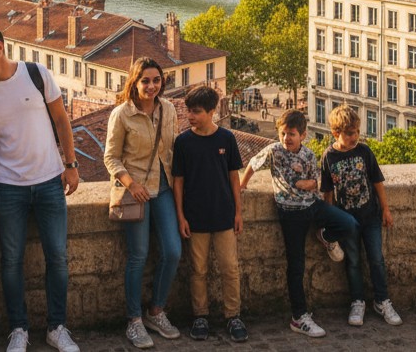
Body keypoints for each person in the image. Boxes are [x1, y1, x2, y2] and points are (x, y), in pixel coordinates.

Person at [0, 24, 81, 352]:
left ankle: (57, 328)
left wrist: (71, 165)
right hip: (8, 186)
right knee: (11, 260)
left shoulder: (36, 73)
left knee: (57, 257)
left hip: (48, 180)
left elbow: (61, 120)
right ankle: (18, 329)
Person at [239, 108, 359, 338]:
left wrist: (311, 184)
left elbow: (318, 181)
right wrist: (243, 184)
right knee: (296, 266)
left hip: (312, 206)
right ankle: (299, 317)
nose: (287, 138)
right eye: (283, 133)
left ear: (303, 135)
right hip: (291, 213)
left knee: (349, 224)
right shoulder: (274, 151)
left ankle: (326, 236)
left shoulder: (308, 155)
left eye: (292, 134)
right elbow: (254, 163)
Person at [103, 58, 182, 349]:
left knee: (173, 251)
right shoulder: (122, 114)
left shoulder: (169, 110)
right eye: (145, 81)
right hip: (135, 191)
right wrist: (131, 184)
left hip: (163, 188)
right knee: (139, 255)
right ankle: (134, 320)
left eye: (156, 80)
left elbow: (173, 150)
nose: (151, 86)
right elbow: (110, 157)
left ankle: (156, 311)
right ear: (135, 82)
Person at [172, 85, 247, 343]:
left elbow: (233, 177)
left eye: (196, 112)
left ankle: (232, 315)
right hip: (195, 217)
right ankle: (200, 316)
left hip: (224, 214)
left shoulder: (226, 138)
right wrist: (180, 216)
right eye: (188, 111)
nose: (190, 116)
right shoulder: (183, 142)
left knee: (230, 268)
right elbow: (178, 182)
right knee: (198, 270)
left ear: (212, 112)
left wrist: (238, 212)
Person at [320, 104, 402, 328]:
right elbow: (327, 191)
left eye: (356, 132)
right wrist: (329, 218)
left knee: (376, 258)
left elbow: (377, 181)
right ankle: (357, 302)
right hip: (347, 220)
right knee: (354, 261)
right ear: (336, 133)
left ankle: (382, 300)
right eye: (349, 133)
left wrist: (386, 209)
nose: (354, 136)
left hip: (370, 215)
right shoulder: (329, 156)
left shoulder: (364, 151)